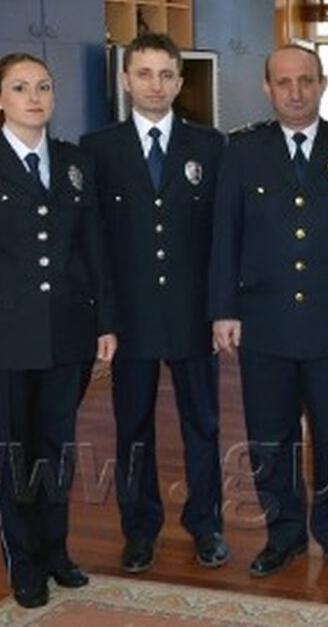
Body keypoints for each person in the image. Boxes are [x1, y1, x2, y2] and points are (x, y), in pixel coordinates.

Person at [207, 44, 328, 579]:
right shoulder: (242, 150)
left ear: (323, 84)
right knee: (270, 436)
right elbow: (226, 234)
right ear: (268, 88)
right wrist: (223, 310)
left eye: (306, 80)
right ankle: (283, 535)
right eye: (283, 82)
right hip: (266, 323)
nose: (296, 92)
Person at [81, 33, 228, 574]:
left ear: (180, 82)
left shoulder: (210, 146)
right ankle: (140, 530)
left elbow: (222, 238)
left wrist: (221, 309)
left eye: (166, 74)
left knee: (203, 425)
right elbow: (95, 241)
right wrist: (105, 317)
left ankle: (206, 524)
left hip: (193, 313)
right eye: (143, 74)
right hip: (132, 316)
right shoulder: (97, 149)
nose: (155, 85)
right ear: (126, 80)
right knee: (133, 427)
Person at [0, 52, 117, 608]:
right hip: (5, 334)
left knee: (56, 448)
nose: (34, 97)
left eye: (43, 86)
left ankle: (56, 552)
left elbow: (94, 248)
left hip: (68, 329)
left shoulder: (73, 163)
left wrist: (105, 321)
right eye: (20, 87)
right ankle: (24, 564)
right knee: (13, 453)